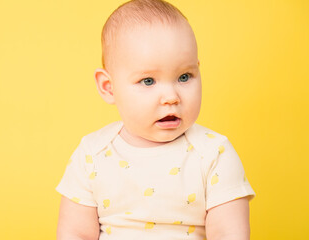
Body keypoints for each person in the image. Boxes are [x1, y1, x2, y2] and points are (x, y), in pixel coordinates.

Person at [56, 0, 255, 239]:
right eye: (148, 81)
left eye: (184, 76)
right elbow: (75, 233)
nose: (171, 97)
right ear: (109, 88)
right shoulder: (92, 155)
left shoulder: (213, 154)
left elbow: (229, 234)